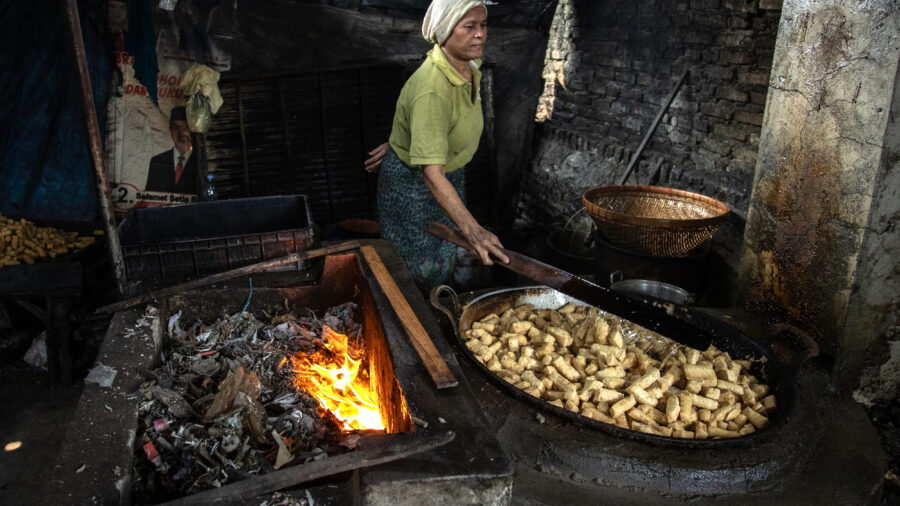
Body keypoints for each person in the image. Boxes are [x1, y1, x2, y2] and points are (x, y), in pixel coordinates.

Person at [365, 0, 508, 290]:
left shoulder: (468, 66)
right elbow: (431, 172)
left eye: (482, 25)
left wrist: (399, 140)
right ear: (444, 33)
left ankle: (437, 300)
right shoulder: (433, 88)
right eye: (469, 27)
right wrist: (475, 232)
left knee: (443, 252)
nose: (480, 34)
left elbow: (430, 124)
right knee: (414, 268)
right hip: (415, 186)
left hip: (447, 176)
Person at [145, 106, 198, 194]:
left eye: (186, 127)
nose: (181, 132)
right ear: (170, 131)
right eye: (176, 127)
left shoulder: (199, 161)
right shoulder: (157, 162)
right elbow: (149, 198)